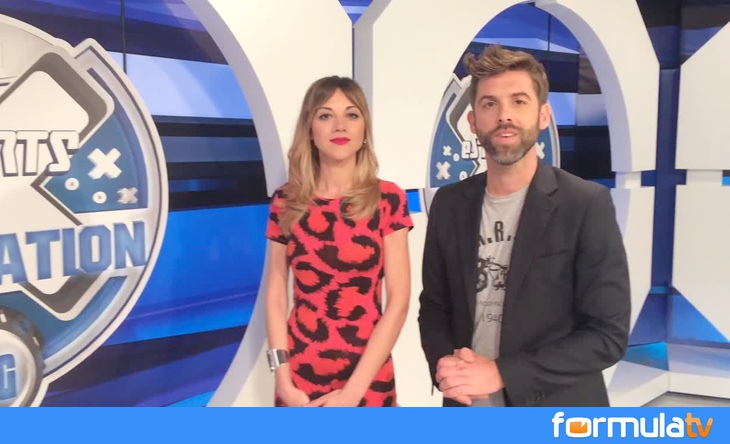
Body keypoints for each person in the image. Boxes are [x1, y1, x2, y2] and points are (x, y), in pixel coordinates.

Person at [418, 45, 631, 407]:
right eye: (490, 104)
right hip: (468, 406)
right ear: (473, 122)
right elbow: (434, 307)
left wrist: (502, 373)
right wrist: (446, 368)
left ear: (543, 115)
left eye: (519, 101)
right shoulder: (449, 204)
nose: (504, 115)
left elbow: (606, 335)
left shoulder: (585, 204)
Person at [264, 76, 413, 407]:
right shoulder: (286, 202)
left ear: (364, 129)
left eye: (352, 114)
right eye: (325, 115)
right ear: (310, 130)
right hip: (298, 380)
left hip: (367, 378)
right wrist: (282, 379)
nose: (340, 126)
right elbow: (275, 295)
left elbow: (399, 301)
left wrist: (353, 392)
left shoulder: (388, 199)